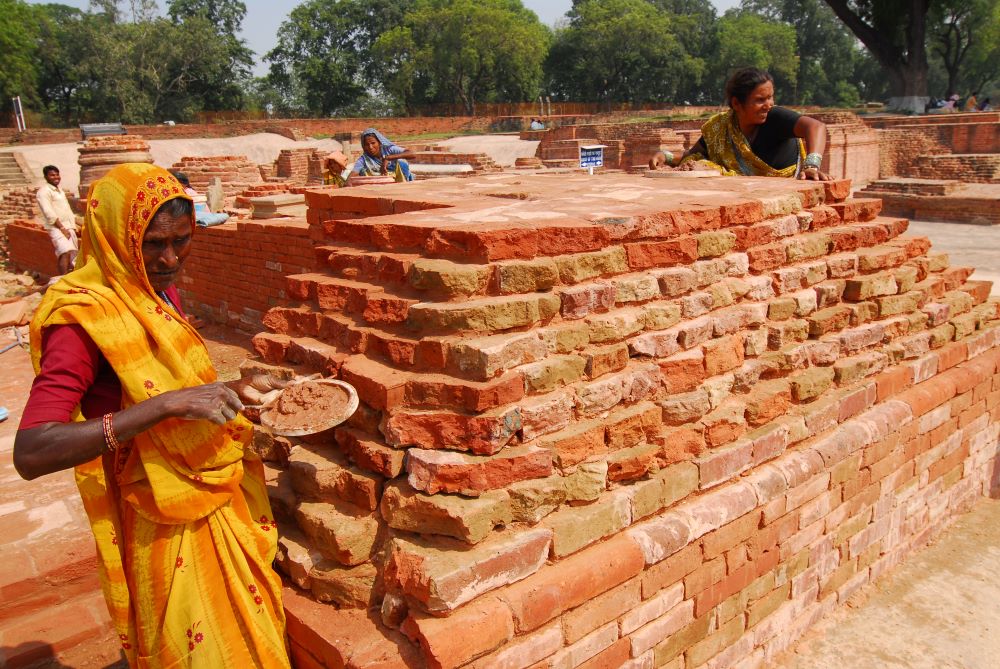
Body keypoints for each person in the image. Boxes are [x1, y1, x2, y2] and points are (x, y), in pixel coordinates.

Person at [14, 163, 290, 668]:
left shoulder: (151, 290)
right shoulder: (81, 319)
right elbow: (32, 450)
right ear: (115, 239)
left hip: (210, 494)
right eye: (152, 244)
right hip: (159, 514)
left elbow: (171, 386)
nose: (168, 259)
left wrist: (231, 389)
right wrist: (164, 407)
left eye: (181, 241)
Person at [649, 68, 831, 180]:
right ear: (737, 103)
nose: (768, 104)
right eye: (760, 100)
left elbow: (816, 127)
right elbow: (695, 155)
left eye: (770, 97)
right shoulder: (721, 128)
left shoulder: (774, 117)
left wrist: (811, 166)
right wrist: (666, 156)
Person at [36, 165, 80, 276]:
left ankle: (71, 277)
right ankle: (62, 279)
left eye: (57, 174)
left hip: (68, 226)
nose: (56, 177)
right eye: (52, 175)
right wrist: (62, 228)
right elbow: (48, 212)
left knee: (72, 253)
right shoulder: (44, 192)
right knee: (64, 251)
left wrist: (77, 223)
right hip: (57, 227)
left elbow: (67, 210)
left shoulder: (59, 190)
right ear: (46, 177)